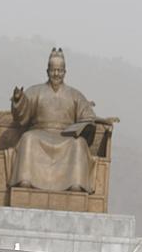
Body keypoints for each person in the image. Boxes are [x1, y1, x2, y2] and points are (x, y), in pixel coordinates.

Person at [8, 48, 96, 193]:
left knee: (79, 144)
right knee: (28, 138)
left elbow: (88, 116)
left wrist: (86, 124)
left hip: (66, 136)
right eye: (53, 70)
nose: (56, 74)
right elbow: (22, 113)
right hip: (40, 132)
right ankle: (25, 180)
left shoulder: (75, 95)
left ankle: (75, 184)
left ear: (65, 72)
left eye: (59, 70)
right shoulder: (35, 91)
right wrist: (19, 100)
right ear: (47, 71)